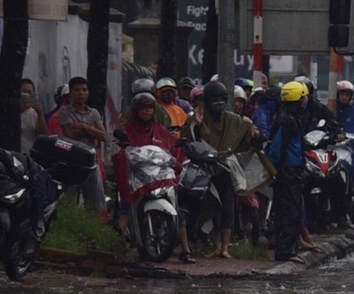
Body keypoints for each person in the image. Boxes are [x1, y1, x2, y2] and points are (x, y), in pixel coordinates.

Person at [115, 91, 195, 262]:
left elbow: (173, 146)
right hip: (136, 177)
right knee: (125, 208)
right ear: (136, 110)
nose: (147, 111)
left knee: (178, 210)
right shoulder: (127, 129)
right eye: (143, 108)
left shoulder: (160, 130)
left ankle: (186, 250)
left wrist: (179, 146)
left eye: (150, 108)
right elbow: (120, 147)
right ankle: (115, 243)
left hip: (158, 177)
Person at [185, 82, 259, 258]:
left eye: (221, 99)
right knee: (209, 209)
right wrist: (198, 124)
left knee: (228, 208)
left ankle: (225, 248)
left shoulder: (231, 119)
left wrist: (255, 131)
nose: (218, 103)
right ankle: (216, 246)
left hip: (225, 169)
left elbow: (247, 127)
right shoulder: (196, 118)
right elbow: (188, 138)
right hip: (204, 170)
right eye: (214, 99)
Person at [263, 79, 314, 262]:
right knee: (289, 211)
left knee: (291, 209)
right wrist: (277, 169)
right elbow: (277, 149)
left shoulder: (289, 118)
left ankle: (288, 249)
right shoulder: (287, 120)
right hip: (287, 171)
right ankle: (285, 251)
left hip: (290, 170)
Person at [48, 76, 110, 213]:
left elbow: (103, 136)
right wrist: (91, 130)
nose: (81, 93)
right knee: (67, 201)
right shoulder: (64, 112)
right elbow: (69, 134)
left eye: (84, 90)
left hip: (91, 162)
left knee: (96, 202)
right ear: (70, 93)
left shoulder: (94, 112)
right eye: (77, 90)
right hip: (71, 163)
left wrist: (83, 127)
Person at [18, 77, 46, 153]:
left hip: (30, 154)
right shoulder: (10, 112)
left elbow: (41, 134)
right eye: (24, 92)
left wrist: (40, 114)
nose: (27, 95)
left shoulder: (34, 113)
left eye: (30, 92)